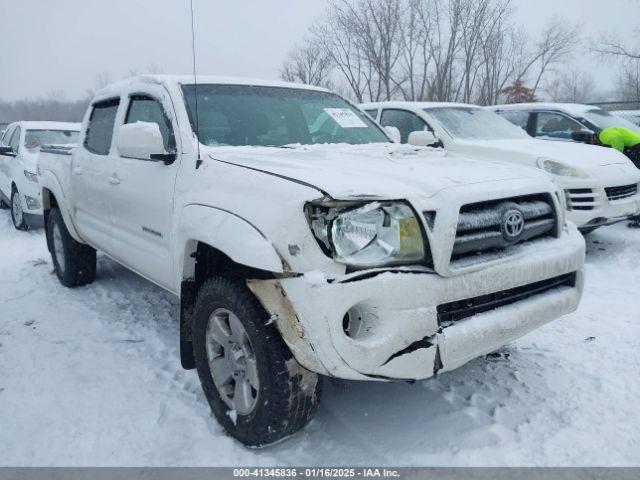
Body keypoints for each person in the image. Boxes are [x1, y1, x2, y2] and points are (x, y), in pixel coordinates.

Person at [599, 126, 640, 228]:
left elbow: (617, 143)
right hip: (635, 147)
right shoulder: (605, 133)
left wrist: (617, 158)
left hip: (637, 147)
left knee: (635, 180)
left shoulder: (604, 136)